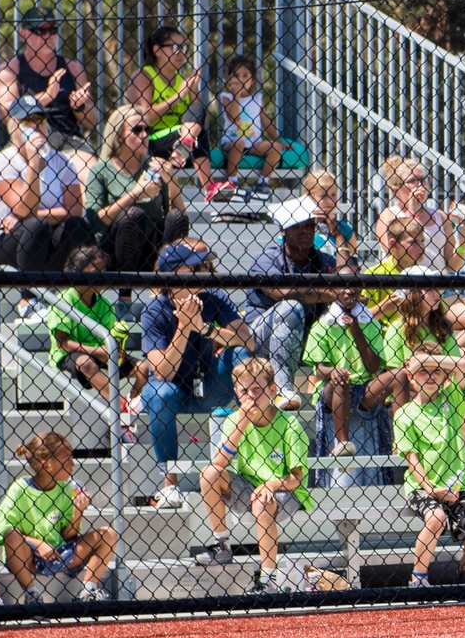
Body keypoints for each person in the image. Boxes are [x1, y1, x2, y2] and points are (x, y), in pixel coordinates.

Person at [138, 243, 255, 510]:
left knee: (240, 358)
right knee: (160, 393)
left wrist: (204, 328)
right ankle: (169, 483)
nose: (203, 271)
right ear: (173, 274)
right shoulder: (154, 311)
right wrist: (184, 326)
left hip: (208, 385)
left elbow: (247, 341)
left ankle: (248, 465)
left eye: (203, 266)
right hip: (173, 391)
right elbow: (164, 372)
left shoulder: (213, 297)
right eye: (195, 268)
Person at [195, 356, 313, 590]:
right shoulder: (233, 420)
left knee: (262, 502)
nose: (250, 396)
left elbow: (296, 478)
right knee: (209, 473)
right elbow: (219, 463)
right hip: (247, 486)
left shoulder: (289, 425)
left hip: (284, 490)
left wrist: (271, 485)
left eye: (257, 390)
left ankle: (267, 579)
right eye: (244, 391)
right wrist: (241, 424)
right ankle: (222, 545)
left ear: (272, 390)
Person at [303, 254, 407, 474]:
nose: (350, 291)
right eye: (344, 286)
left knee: (399, 376)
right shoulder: (323, 326)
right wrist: (334, 371)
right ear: (332, 289)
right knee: (341, 378)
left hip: (365, 388)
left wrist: (356, 331)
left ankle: (403, 439)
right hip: (335, 390)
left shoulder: (370, 324)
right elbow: (320, 370)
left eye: (356, 286)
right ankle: (343, 445)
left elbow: (373, 367)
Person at [395, 350, 465, 586]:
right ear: (411, 376)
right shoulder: (404, 414)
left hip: (459, 484)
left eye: (436, 371)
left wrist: (425, 359)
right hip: (423, 486)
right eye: (423, 371)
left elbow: (463, 363)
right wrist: (431, 489)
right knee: (435, 519)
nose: (431, 375)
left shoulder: (452, 398)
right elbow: (412, 458)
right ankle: (418, 577)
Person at [0, 106, 96, 286]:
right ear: (14, 127)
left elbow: (74, 211)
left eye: (39, 120)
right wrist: (34, 163)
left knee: (77, 226)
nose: (34, 125)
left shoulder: (60, 160)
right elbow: (24, 207)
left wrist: (25, 216)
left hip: (46, 243)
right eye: (27, 121)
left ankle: (77, 296)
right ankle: (28, 300)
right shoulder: (2, 161)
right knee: (36, 226)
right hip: (2, 245)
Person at [0, 432, 116, 601]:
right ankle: (32, 594)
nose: (73, 464)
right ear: (46, 464)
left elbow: (69, 536)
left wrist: (78, 512)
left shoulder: (66, 489)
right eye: (66, 459)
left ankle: (88, 590)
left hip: (61, 554)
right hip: (29, 556)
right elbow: (4, 531)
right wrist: (39, 544)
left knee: (109, 534)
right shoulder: (19, 489)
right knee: (11, 536)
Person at [244, 196, 337, 411]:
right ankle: (283, 387)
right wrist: (330, 294)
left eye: (309, 226)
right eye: (297, 226)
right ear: (283, 230)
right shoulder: (266, 259)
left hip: (306, 336)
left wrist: (339, 238)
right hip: (259, 335)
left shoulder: (324, 260)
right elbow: (283, 292)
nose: (305, 231)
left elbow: (348, 287)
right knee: (291, 306)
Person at [0, 6, 97, 178]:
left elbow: (91, 121)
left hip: (67, 140)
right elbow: (8, 113)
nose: (48, 36)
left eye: (52, 30)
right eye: (41, 30)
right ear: (24, 34)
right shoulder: (9, 71)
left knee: (89, 172)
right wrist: (47, 96)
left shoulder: (73, 68)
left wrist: (80, 107)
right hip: (27, 138)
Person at [125, 24, 225, 202]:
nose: (181, 53)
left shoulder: (182, 79)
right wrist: (178, 96)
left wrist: (193, 92)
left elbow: (203, 119)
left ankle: (184, 146)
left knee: (198, 114)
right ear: (157, 50)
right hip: (152, 141)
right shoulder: (144, 76)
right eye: (175, 47)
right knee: (194, 134)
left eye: (184, 48)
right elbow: (144, 117)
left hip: (181, 148)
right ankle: (207, 183)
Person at [87, 104, 189, 275]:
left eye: (147, 130)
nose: (144, 135)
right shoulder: (100, 170)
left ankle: (167, 285)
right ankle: (125, 294)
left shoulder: (154, 166)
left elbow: (179, 217)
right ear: (119, 136)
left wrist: (171, 181)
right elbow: (94, 221)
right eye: (137, 130)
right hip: (114, 251)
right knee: (133, 214)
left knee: (176, 216)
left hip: (152, 249)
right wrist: (136, 194)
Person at [48, 247, 148, 402]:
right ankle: (121, 409)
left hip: (102, 351)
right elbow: (62, 343)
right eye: (96, 271)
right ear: (78, 271)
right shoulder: (64, 300)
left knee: (143, 369)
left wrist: (116, 349)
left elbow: (112, 335)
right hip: (70, 354)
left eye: (104, 271)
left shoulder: (105, 304)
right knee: (86, 362)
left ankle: (130, 405)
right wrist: (98, 351)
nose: (102, 277)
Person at [376, 156, 465, 272]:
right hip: (404, 284)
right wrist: (412, 211)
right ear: (396, 189)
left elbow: (452, 266)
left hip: (437, 286)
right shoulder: (389, 215)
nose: (420, 185)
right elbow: (398, 255)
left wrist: (463, 241)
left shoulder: (439, 216)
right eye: (412, 181)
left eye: (422, 179)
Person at [215, 54, 282, 199]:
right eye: (236, 75)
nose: (241, 80)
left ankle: (262, 183)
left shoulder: (257, 99)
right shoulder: (227, 97)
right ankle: (232, 182)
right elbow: (232, 117)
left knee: (275, 148)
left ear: (252, 79)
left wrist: (278, 140)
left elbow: (266, 121)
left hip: (254, 143)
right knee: (239, 143)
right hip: (232, 142)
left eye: (245, 75)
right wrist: (237, 95)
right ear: (229, 78)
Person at [302, 168, 358, 258]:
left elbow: (353, 264)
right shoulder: (295, 228)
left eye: (334, 195)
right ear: (307, 196)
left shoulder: (345, 229)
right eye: (323, 196)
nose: (330, 201)